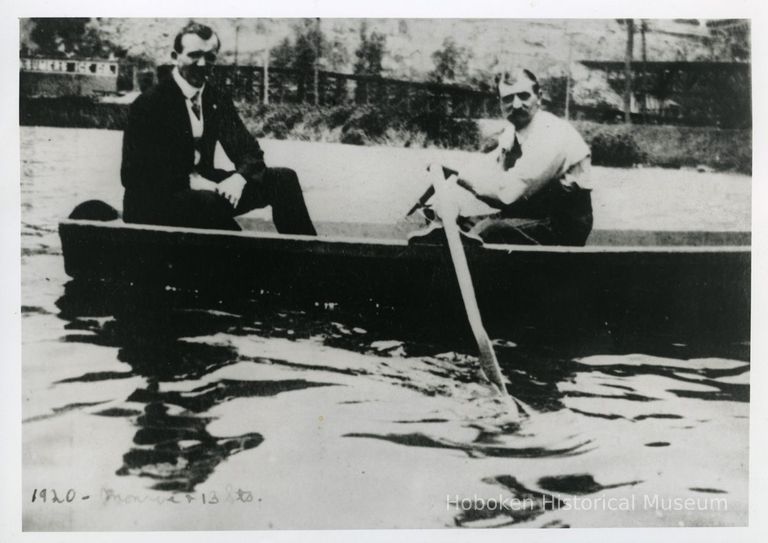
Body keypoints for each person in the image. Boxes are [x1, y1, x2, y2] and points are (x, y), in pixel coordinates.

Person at [121, 22, 317, 235]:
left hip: (205, 192)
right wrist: (190, 182)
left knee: (283, 180)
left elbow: (249, 152)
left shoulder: (216, 98)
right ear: (175, 56)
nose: (202, 63)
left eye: (210, 57)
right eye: (194, 55)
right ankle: (245, 260)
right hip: (155, 203)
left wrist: (238, 179)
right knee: (210, 204)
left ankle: (308, 260)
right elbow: (133, 175)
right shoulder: (149, 104)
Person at [418, 68, 593, 246]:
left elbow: (508, 193)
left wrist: (458, 174)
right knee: (461, 224)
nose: (516, 105)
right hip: (532, 216)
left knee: (486, 233)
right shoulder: (511, 133)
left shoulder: (551, 132)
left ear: (539, 97)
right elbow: (485, 168)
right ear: (500, 103)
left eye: (524, 96)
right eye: (508, 98)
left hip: (562, 227)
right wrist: (449, 188)